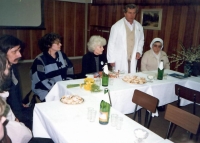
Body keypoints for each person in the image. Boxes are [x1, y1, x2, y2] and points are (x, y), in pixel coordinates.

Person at [0, 35, 33, 130]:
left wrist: (19, 102)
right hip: (8, 114)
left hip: (16, 106)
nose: (20, 55)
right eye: (15, 51)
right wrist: (13, 116)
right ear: (2, 54)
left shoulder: (12, 66)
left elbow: (14, 89)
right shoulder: (2, 75)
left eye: (19, 50)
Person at [31, 33, 74, 101]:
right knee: (56, 104)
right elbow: (40, 80)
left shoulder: (62, 55)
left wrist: (67, 82)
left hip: (61, 86)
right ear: (48, 45)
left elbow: (70, 68)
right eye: (57, 43)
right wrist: (58, 88)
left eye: (60, 42)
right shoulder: (39, 60)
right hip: (45, 89)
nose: (60, 44)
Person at [107, 4, 144, 73]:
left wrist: (139, 51)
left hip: (133, 56)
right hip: (120, 56)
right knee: (119, 77)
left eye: (134, 13)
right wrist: (111, 59)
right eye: (130, 13)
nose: (132, 15)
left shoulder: (139, 26)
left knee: (132, 77)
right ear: (125, 13)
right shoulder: (116, 26)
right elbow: (111, 43)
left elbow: (141, 40)